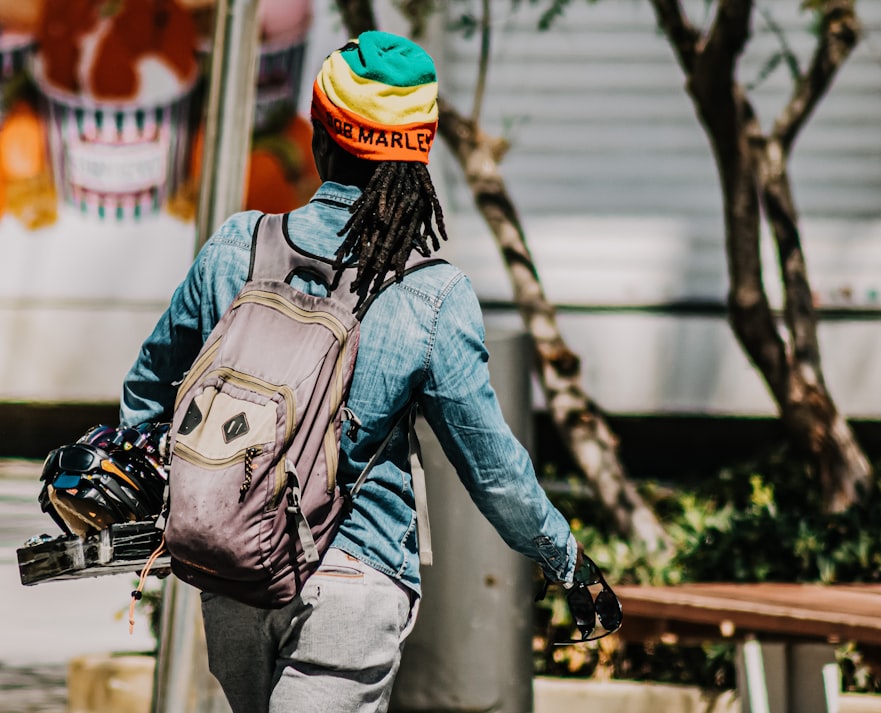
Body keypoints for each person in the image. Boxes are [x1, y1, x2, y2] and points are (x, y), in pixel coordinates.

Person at [119, 30, 591, 713]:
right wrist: (563, 554)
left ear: (321, 136)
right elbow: (492, 469)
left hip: (234, 575)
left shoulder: (235, 248)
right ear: (418, 158)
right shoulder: (431, 294)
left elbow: (148, 389)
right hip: (354, 580)